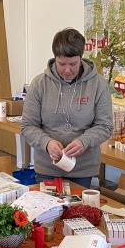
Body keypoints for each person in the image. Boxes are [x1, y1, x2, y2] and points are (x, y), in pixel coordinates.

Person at [21, 28, 112, 188]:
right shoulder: (39, 84)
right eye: (61, 64)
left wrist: (84, 141)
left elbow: (105, 126)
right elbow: (28, 126)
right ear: (54, 58)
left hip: (83, 169)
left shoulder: (98, 84)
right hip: (48, 167)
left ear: (81, 58)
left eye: (73, 64)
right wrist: (47, 143)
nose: (67, 70)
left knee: (80, 212)